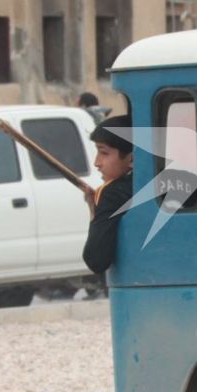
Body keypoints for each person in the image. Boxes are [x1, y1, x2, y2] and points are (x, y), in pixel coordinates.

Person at [82, 114, 134, 276]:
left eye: (104, 153)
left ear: (132, 158)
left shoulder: (112, 193)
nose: (96, 163)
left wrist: (94, 210)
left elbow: (96, 260)